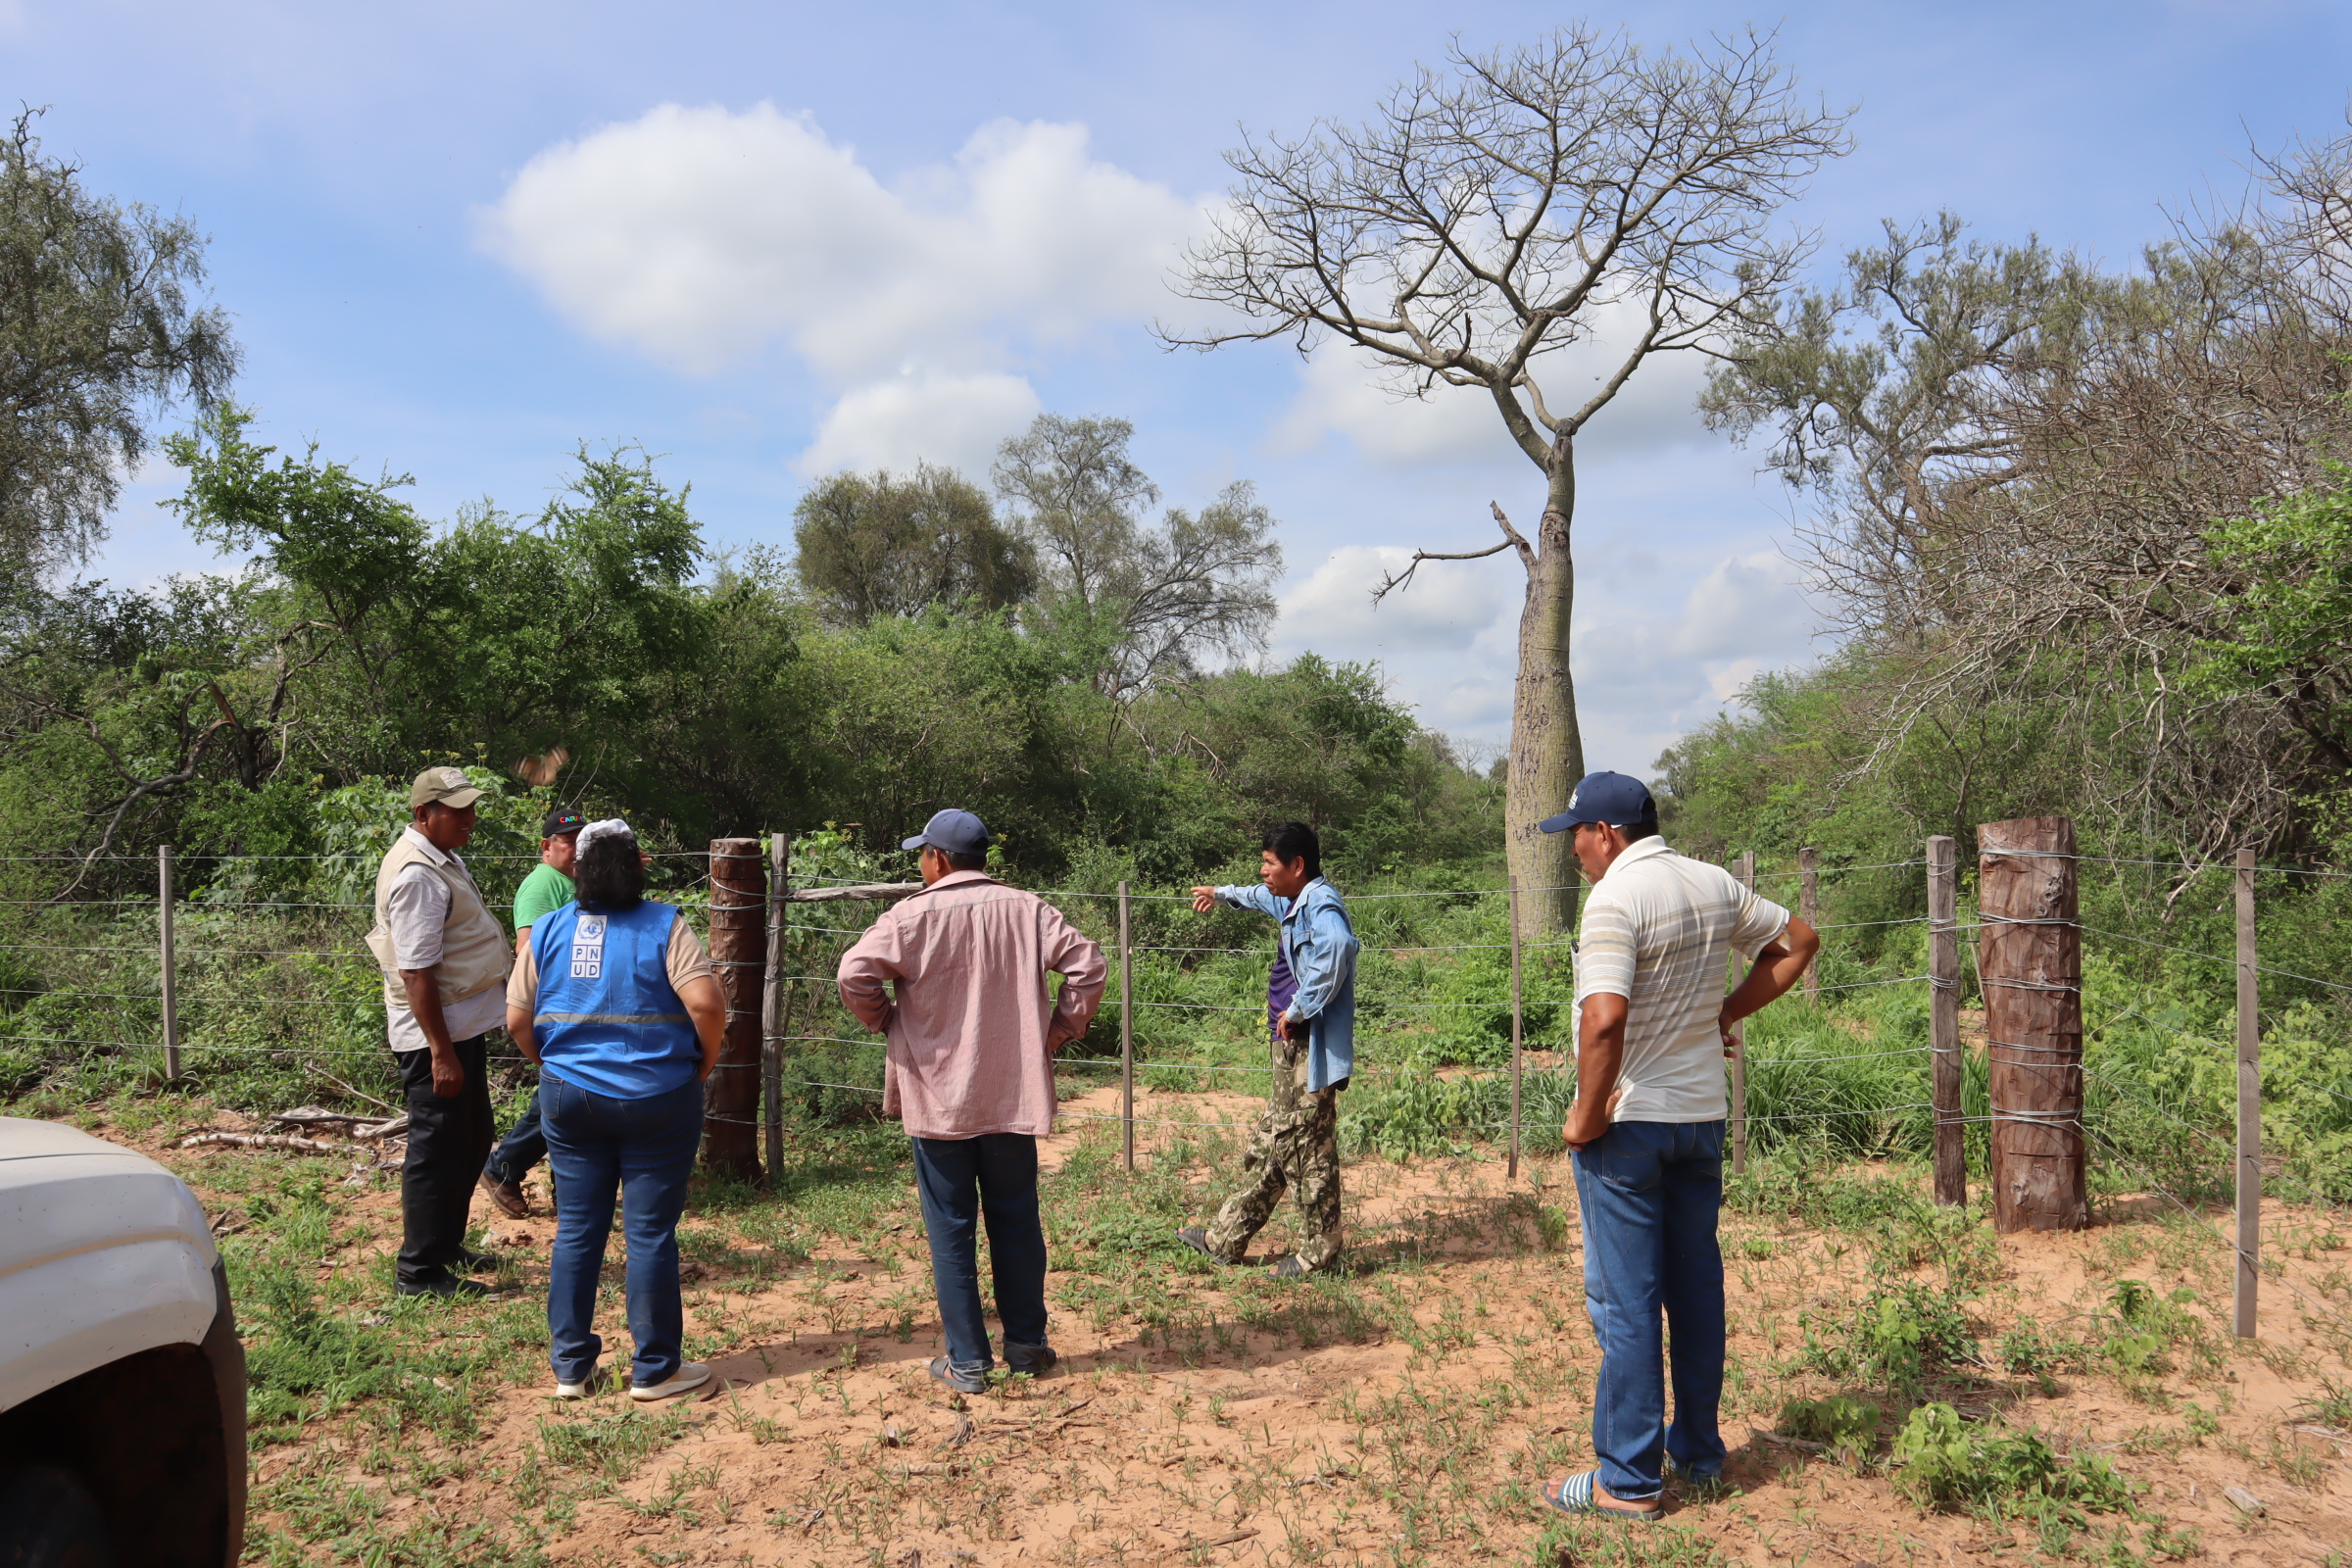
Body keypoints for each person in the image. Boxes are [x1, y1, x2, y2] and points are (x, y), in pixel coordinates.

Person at [1537, 771, 1818, 1521]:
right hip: (1700, 1120)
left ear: (1606, 833)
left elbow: (1603, 1018)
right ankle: (1695, 1450)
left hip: (1629, 1126)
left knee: (1626, 1304)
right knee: (1694, 1292)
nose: (1574, 854)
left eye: (1576, 837)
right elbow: (1798, 942)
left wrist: (1585, 1114)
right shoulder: (1712, 883)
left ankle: (1626, 1482)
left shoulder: (1615, 899)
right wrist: (1726, 1011)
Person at [836, 808, 1106, 1395]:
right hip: (1010, 1093)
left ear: (938, 859)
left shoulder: (910, 916)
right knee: (1016, 1218)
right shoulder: (1028, 910)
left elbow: (854, 973)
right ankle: (1028, 1346)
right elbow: (1088, 966)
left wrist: (888, 1022)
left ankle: (968, 1361)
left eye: (922, 854)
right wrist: (1058, 1031)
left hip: (938, 1101)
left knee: (950, 1228)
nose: (920, 863)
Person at [506, 818, 727, 1401]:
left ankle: (570, 1371)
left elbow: (516, 1019)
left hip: (568, 1098)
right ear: (639, 864)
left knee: (577, 1229)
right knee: (649, 1232)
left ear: (576, 869)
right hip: (657, 1096)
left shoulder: (549, 928)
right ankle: (656, 1370)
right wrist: (699, 1066)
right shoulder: (665, 925)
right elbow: (704, 1002)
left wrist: (551, 1064)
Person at [1176, 820, 1360, 1279]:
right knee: (1280, 1137)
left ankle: (1320, 1254)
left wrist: (1299, 1010)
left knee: (1306, 1146)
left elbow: (1338, 947)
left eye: (1269, 863)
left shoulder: (1320, 904)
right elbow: (1258, 896)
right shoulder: (1291, 899)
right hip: (1288, 1046)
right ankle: (1226, 1239)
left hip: (1306, 1045)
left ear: (1297, 866)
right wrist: (1219, 893)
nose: (1262, 870)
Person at [365, 767, 517, 1298]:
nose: (469, 819)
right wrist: (440, 1052)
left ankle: (446, 1244)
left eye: (471, 808)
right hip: (438, 1037)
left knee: (471, 1137)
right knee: (436, 1148)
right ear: (423, 814)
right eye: (457, 810)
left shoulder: (441, 857)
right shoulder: (418, 875)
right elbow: (416, 971)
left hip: (459, 1028)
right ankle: (420, 1272)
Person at [478, 807, 587, 1219]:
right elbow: (528, 950)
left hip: (567, 1006)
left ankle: (565, 1190)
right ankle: (504, 1167)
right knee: (563, 1095)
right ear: (546, 846)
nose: (576, 849)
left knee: (568, 1097)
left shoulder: (568, 882)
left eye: (582, 841)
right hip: (553, 1007)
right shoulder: (543, 884)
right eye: (568, 842)